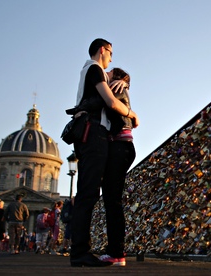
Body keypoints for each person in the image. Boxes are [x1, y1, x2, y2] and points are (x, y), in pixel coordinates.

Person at [70, 38, 139, 267]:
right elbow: (110, 102)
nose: (111, 59)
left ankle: (85, 250)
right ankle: (82, 251)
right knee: (89, 194)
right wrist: (132, 114)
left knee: (90, 193)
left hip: (94, 136)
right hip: (94, 135)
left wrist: (124, 80)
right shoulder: (94, 69)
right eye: (111, 54)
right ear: (103, 50)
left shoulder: (90, 72)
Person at [98, 68, 136, 267]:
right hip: (125, 147)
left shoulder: (114, 87)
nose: (106, 71)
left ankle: (116, 252)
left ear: (116, 77)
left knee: (112, 201)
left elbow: (108, 104)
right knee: (113, 200)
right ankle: (116, 251)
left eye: (110, 71)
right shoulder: (121, 87)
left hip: (120, 147)